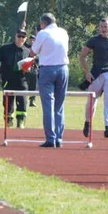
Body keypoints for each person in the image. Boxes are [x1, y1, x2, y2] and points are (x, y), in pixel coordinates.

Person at [79, 17, 108, 140]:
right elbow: (82, 56)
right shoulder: (93, 40)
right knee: (92, 100)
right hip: (96, 74)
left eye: (105, 26)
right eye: (101, 27)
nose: (103, 29)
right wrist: (87, 72)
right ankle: (88, 122)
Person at [29, 13, 70, 147]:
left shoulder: (42, 33)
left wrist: (36, 39)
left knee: (48, 105)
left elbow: (33, 52)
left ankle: (51, 138)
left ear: (43, 23)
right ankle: (59, 138)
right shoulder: (63, 32)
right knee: (59, 106)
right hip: (63, 69)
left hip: (47, 69)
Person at [0, 29, 32, 128]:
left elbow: (34, 67)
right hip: (8, 80)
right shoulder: (5, 49)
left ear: (26, 38)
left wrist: (29, 69)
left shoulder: (28, 51)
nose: (21, 39)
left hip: (22, 80)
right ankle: (8, 121)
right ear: (15, 36)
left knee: (22, 101)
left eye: (23, 37)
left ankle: (21, 121)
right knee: (7, 103)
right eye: (19, 36)